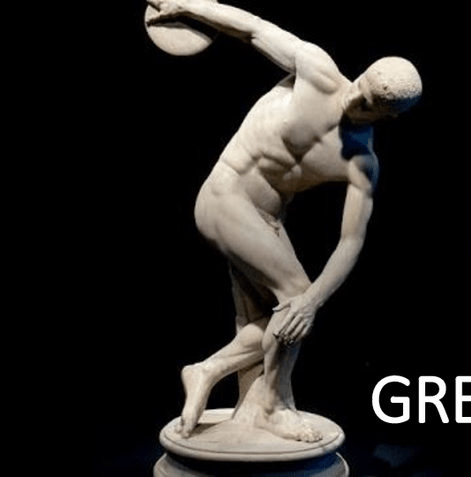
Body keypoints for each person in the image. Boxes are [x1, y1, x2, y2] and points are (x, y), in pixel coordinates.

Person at [146, 0, 422, 442]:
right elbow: (252, 29)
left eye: (368, 105)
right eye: (361, 86)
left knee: (283, 313)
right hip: (224, 195)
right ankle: (268, 405)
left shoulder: (360, 161)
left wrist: (315, 301)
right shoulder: (318, 70)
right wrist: (190, 7)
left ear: (387, 117)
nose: (354, 99)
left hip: (266, 220)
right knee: (294, 297)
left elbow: (351, 241)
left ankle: (218, 379)